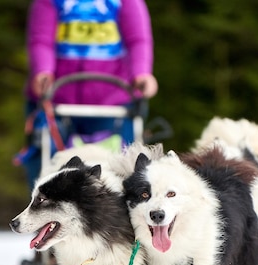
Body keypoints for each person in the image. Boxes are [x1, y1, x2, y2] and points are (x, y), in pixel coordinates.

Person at [18, 0, 158, 190]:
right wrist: (43, 72)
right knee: (43, 159)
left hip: (115, 102)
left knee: (124, 166)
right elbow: (41, 40)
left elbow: (138, 40)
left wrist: (141, 74)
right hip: (56, 101)